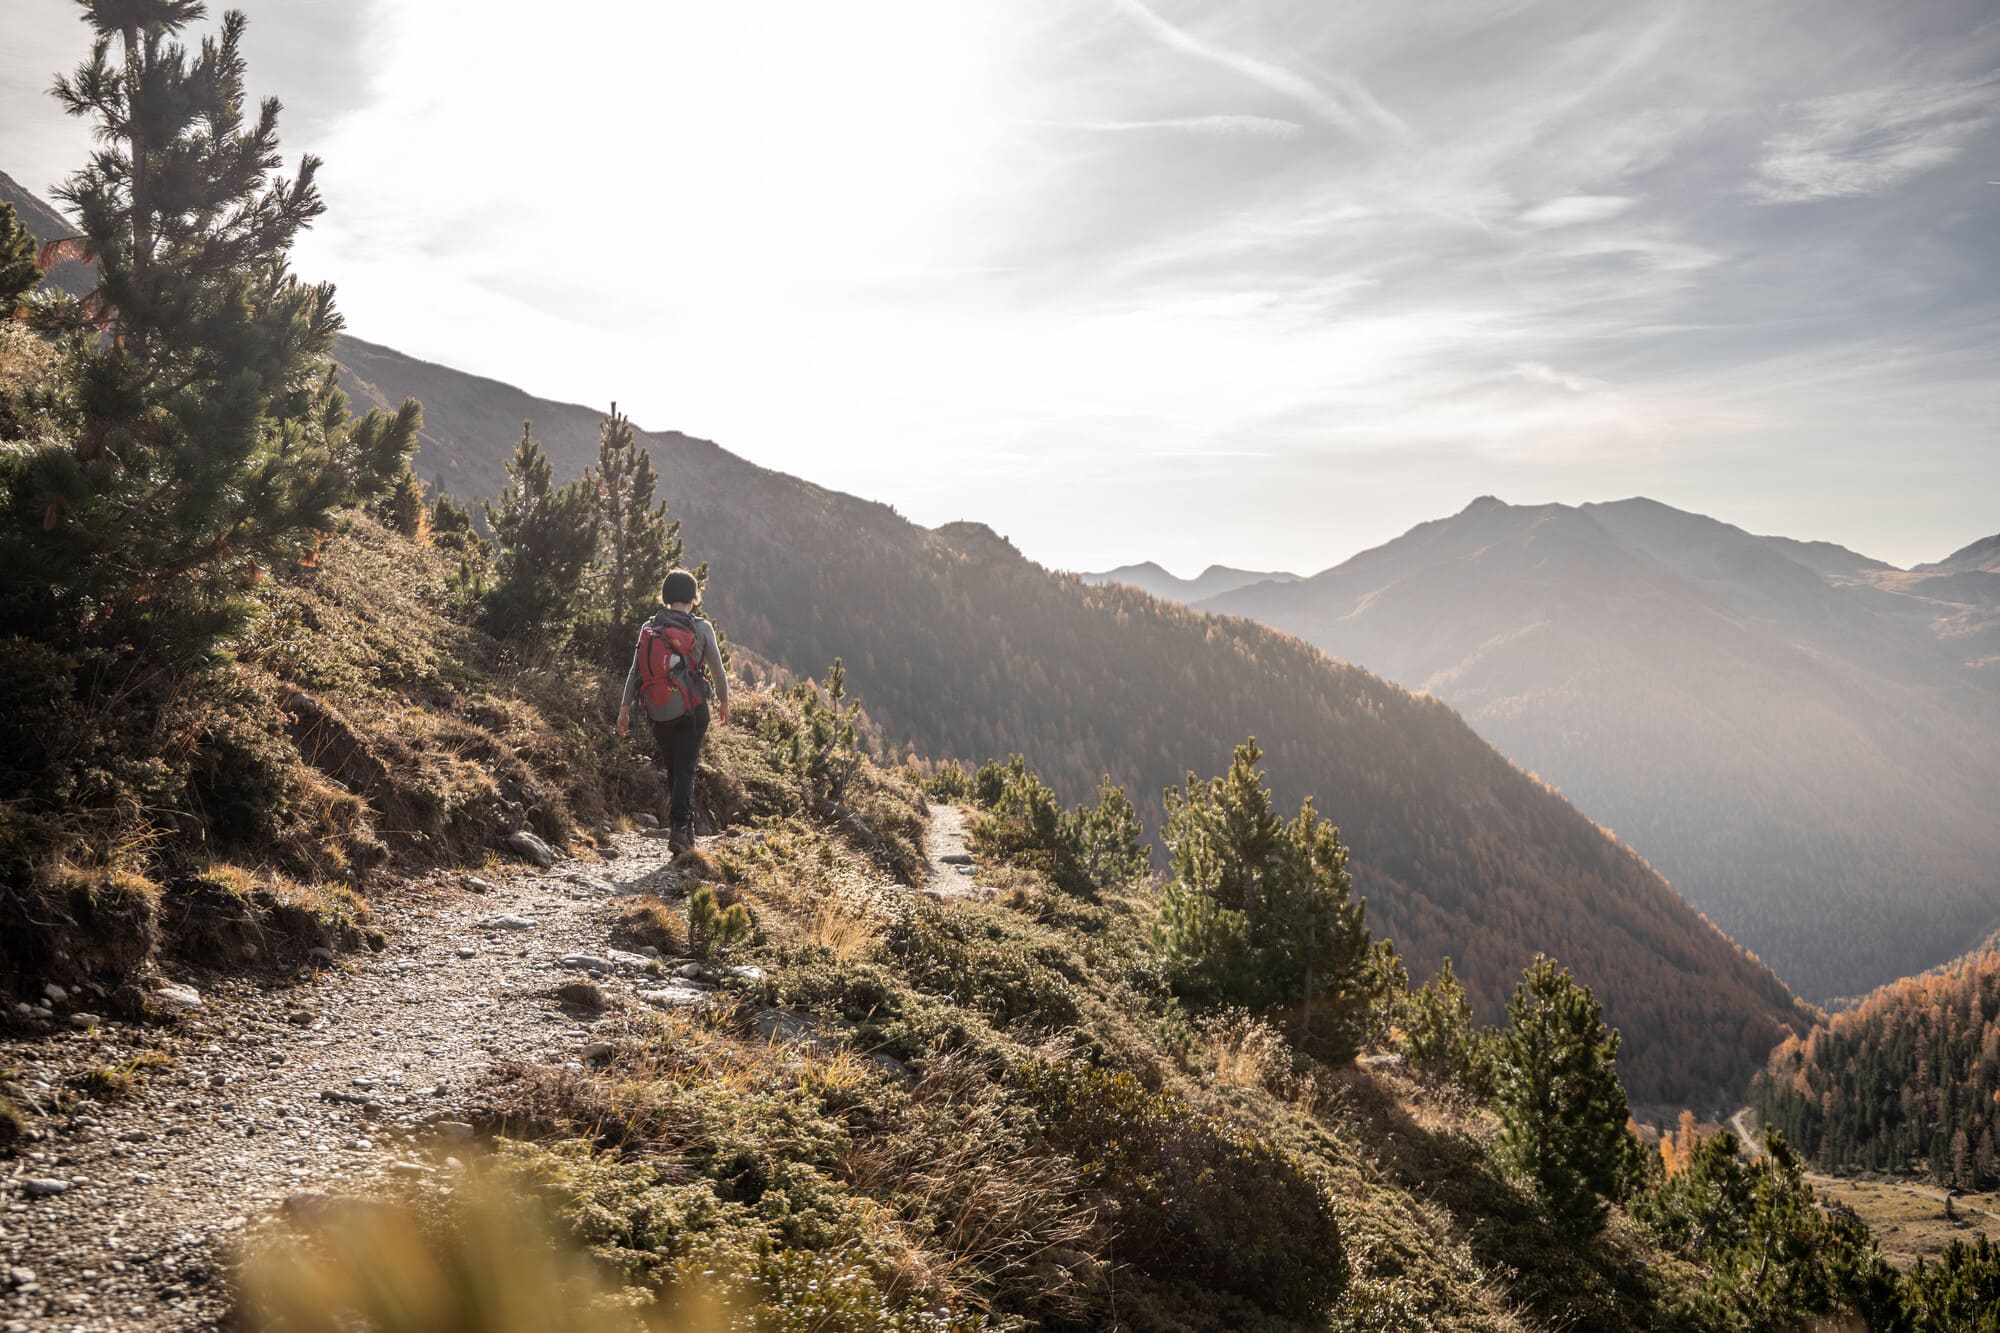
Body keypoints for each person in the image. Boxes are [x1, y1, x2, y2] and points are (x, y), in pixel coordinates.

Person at [616, 568, 729, 853]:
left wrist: (624, 709)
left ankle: (684, 828)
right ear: (694, 596)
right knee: (686, 770)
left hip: (657, 711)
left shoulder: (649, 627)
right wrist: (724, 702)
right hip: (692, 711)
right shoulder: (701, 628)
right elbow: (718, 671)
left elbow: (634, 671)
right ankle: (680, 831)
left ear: (665, 596)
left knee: (674, 768)